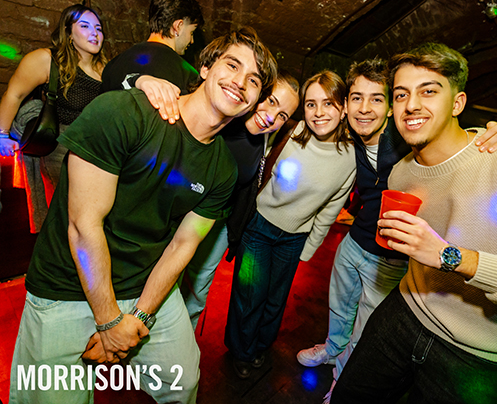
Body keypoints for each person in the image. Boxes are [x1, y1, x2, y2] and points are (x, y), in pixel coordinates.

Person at [9, 28, 277, 403]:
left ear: (254, 102)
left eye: (254, 80)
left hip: (144, 287)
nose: (240, 82)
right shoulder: (123, 112)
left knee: (182, 383)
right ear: (204, 68)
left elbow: (183, 244)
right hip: (66, 285)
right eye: (232, 65)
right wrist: (109, 321)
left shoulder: (223, 170)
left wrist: (141, 317)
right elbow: (83, 226)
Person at [330, 42, 497, 404]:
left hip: (477, 351)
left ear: (458, 103)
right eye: (402, 94)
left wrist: (452, 257)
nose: (411, 105)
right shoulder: (401, 174)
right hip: (404, 310)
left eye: (428, 91)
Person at [296, 59, 497, 400]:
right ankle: (331, 348)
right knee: (339, 307)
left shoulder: (407, 139)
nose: (364, 108)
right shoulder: (350, 136)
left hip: (391, 258)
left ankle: (342, 378)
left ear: (390, 108)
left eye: (377, 99)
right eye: (356, 98)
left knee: (366, 326)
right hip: (354, 242)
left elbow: (459, 138)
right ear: (346, 105)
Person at [225, 70, 356, 379]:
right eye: (311, 104)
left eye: (328, 103)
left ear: (343, 108)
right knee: (250, 295)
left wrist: (308, 249)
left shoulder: (351, 156)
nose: (318, 112)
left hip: (295, 238)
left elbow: (330, 210)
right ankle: (241, 350)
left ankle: (261, 345)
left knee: (275, 300)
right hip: (259, 226)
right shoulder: (289, 132)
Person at [181, 70, 301, 329]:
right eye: (271, 101)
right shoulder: (219, 118)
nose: (272, 116)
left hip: (220, 224)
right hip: (183, 215)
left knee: (197, 289)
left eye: (283, 115)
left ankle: (182, 340)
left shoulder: (266, 137)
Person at [0, 4, 108, 231]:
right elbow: (14, 94)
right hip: (62, 150)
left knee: (95, 217)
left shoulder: (106, 68)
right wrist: (2, 135)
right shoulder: (47, 60)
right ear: (69, 32)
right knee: (69, 218)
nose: (94, 33)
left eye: (98, 28)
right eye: (85, 26)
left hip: (97, 149)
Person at [101, 0, 203, 96]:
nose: (192, 41)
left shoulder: (113, 65)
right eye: (192, 32)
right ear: (178, 26)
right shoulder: (187, 73)